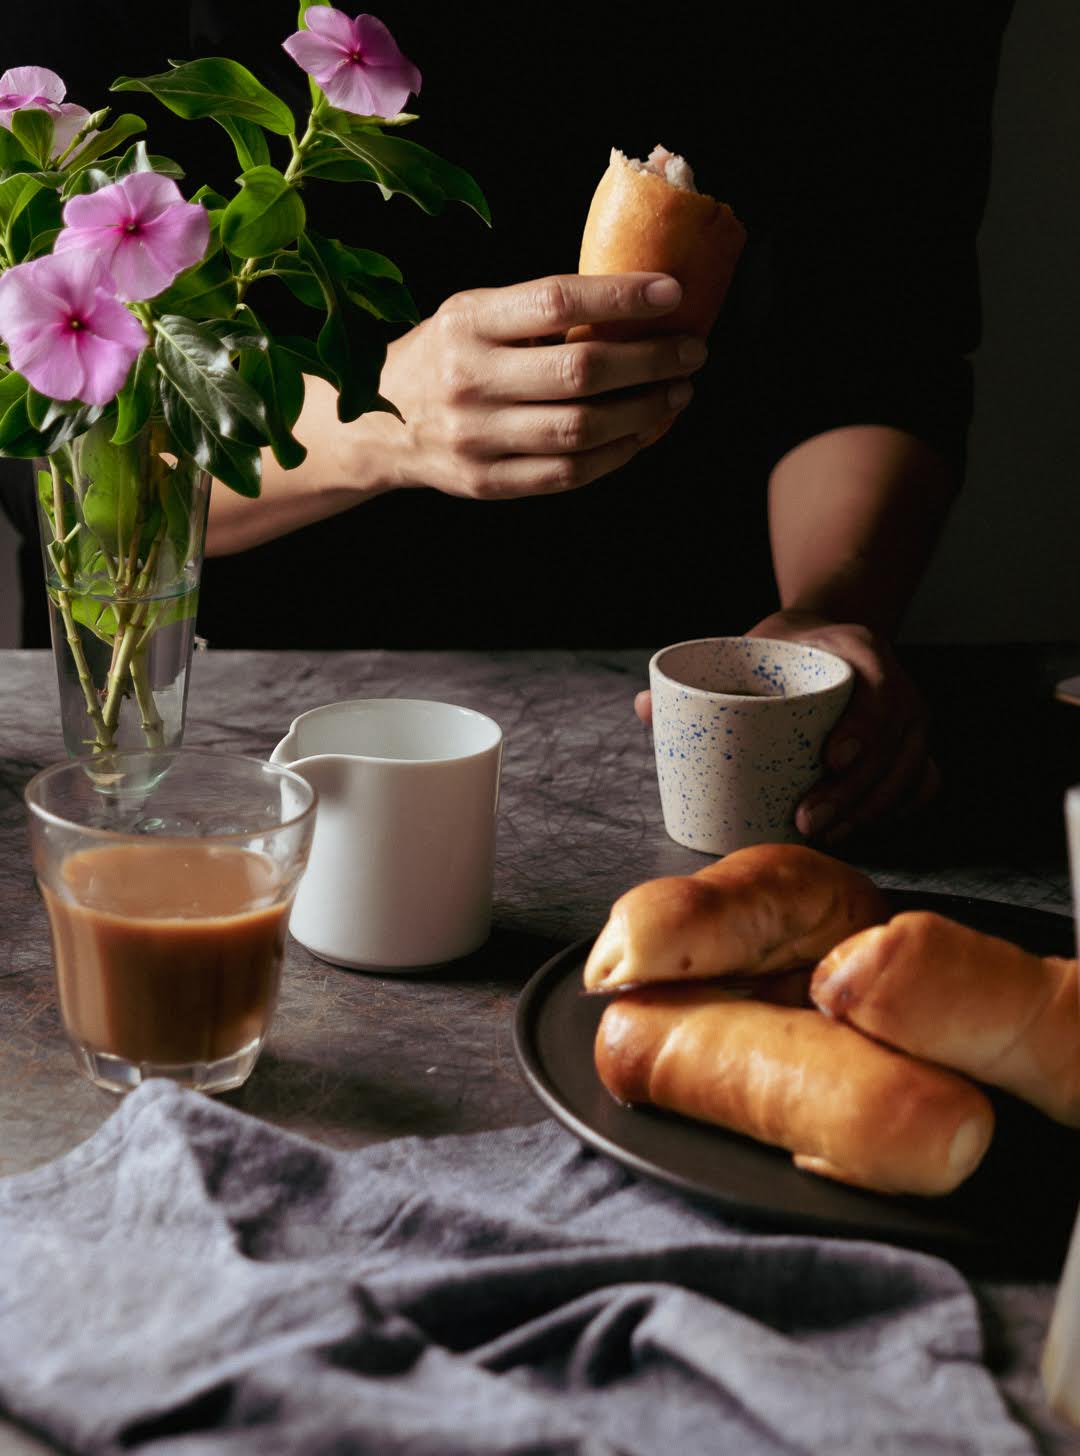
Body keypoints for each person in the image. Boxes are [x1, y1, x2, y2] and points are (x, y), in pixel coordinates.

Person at [0, 2, 1015, 844]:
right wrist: (382, 421)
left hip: (692, 712)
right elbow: (53, 439)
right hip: (235, 741)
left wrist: (826, 616)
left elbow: (881, 344)